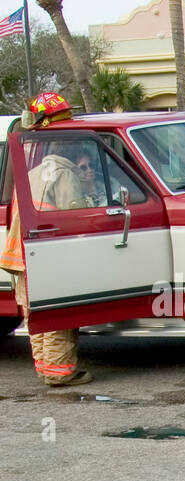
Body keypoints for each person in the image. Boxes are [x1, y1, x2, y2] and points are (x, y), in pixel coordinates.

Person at [0, 94, 99, 387]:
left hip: (24, 259)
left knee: (38, 317)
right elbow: (74, 216)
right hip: (48, 257)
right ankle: (61, 373)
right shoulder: (64, 173)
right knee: (58, 315)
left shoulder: (32, 170)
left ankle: (46, 368)